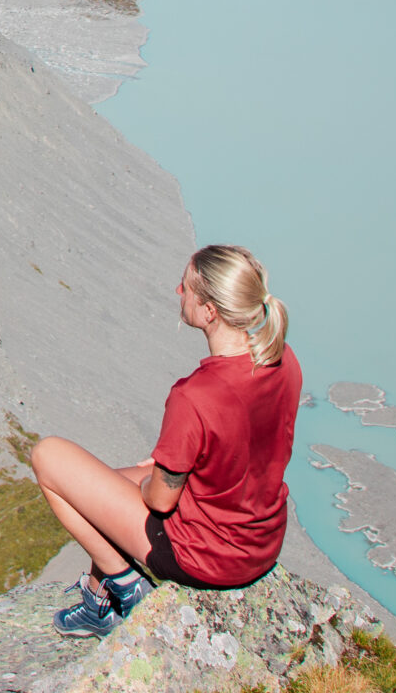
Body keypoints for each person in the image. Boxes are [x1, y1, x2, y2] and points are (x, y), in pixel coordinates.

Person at [28, 244, 301, 637]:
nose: (178, 292)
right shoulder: (283, 361)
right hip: (260, 543)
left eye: (187, 287)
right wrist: (166, 466)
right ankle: (97, 593)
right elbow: (243, 447)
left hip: (204, 557)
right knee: (102, 481)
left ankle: (123, 589)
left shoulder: (196, 395)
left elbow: (160, 500)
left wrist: (151, 477)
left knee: (49, 457)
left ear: (210, 311)